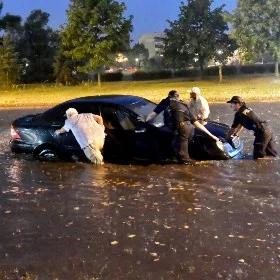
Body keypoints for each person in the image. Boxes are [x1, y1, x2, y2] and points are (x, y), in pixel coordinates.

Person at [169, 98, 219, 164]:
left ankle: (186, 162)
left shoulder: (174, 107)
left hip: (183, 128)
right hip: (191, 128)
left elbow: (179, 123)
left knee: (182, 156)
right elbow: (196, 123)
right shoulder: (185, 108)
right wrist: (211, 135)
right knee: (185, 146)